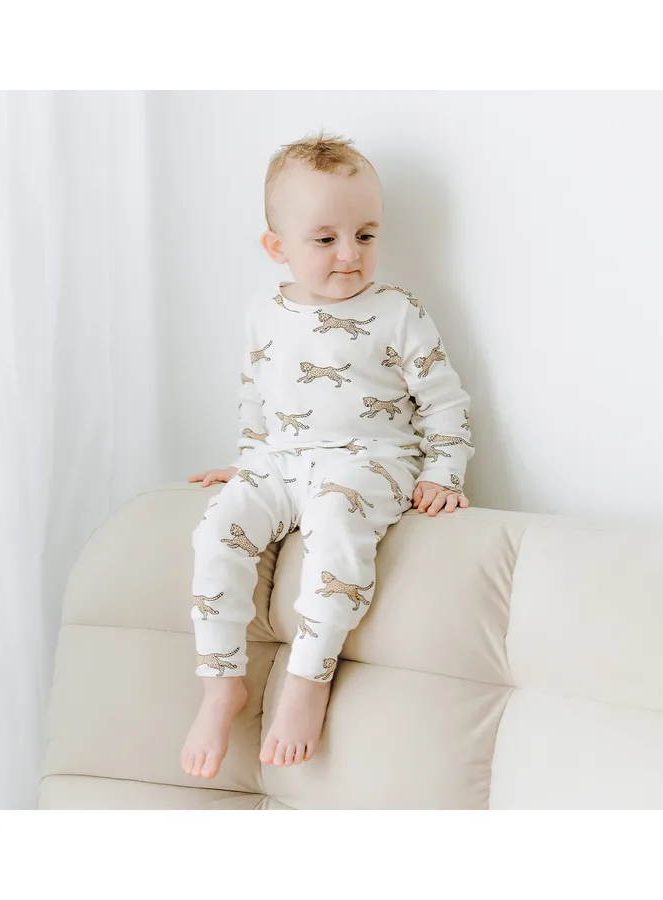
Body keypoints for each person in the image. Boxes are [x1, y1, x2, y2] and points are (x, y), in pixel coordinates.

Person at [181, 133, 475, 778]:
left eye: (365, 235)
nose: (350, 254)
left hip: (369, 460)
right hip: (280, 460)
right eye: (325, 239)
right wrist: (249, 461)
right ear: (277, 247)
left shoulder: (397, 312)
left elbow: (444, 402)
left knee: (337, 530)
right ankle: (220, 682)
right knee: (217, 531)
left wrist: (444, 473)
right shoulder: (264, 312)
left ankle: (308, 678)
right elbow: (256, 394)